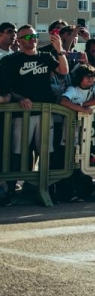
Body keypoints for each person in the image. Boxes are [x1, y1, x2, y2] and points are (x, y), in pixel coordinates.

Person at [0, 25, 69, 201]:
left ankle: (44, 189)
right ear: (20, 40)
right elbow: (8, 88)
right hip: (21, 113)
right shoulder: (11, 60)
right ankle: (10, 190)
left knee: (46, 152)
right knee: (16, 153)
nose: (33, 40)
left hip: (45, 113)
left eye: (35, 36)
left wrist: (59, 50)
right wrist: (20, 97)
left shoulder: (46, 57)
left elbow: (63, 71)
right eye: (28, 37)